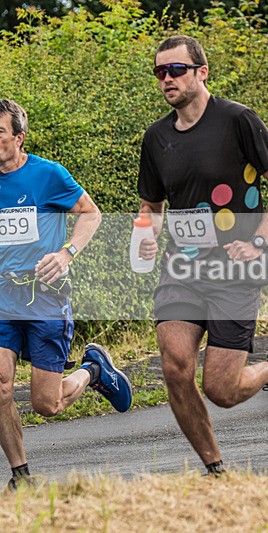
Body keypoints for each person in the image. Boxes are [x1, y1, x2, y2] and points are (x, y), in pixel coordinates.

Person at [136, 36, 268, 474]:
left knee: (222, 390)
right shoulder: (156, 138)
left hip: (235, 270)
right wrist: (148, 234)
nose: (167, 79)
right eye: (160, 72)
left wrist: (259, 241)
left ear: (202, 72)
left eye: (176, 70)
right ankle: (215, 469)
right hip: (182, 269)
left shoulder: (237, 120)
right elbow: (152, 205)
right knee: (175, 367)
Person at [0, 99, 133, 490]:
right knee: (1, 385)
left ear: (19, 138)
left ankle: (93, 370)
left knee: (48, 404)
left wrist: (66, 253)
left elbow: (91, 213)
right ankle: (21, 475)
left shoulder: (48, 175)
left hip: (45, 298)